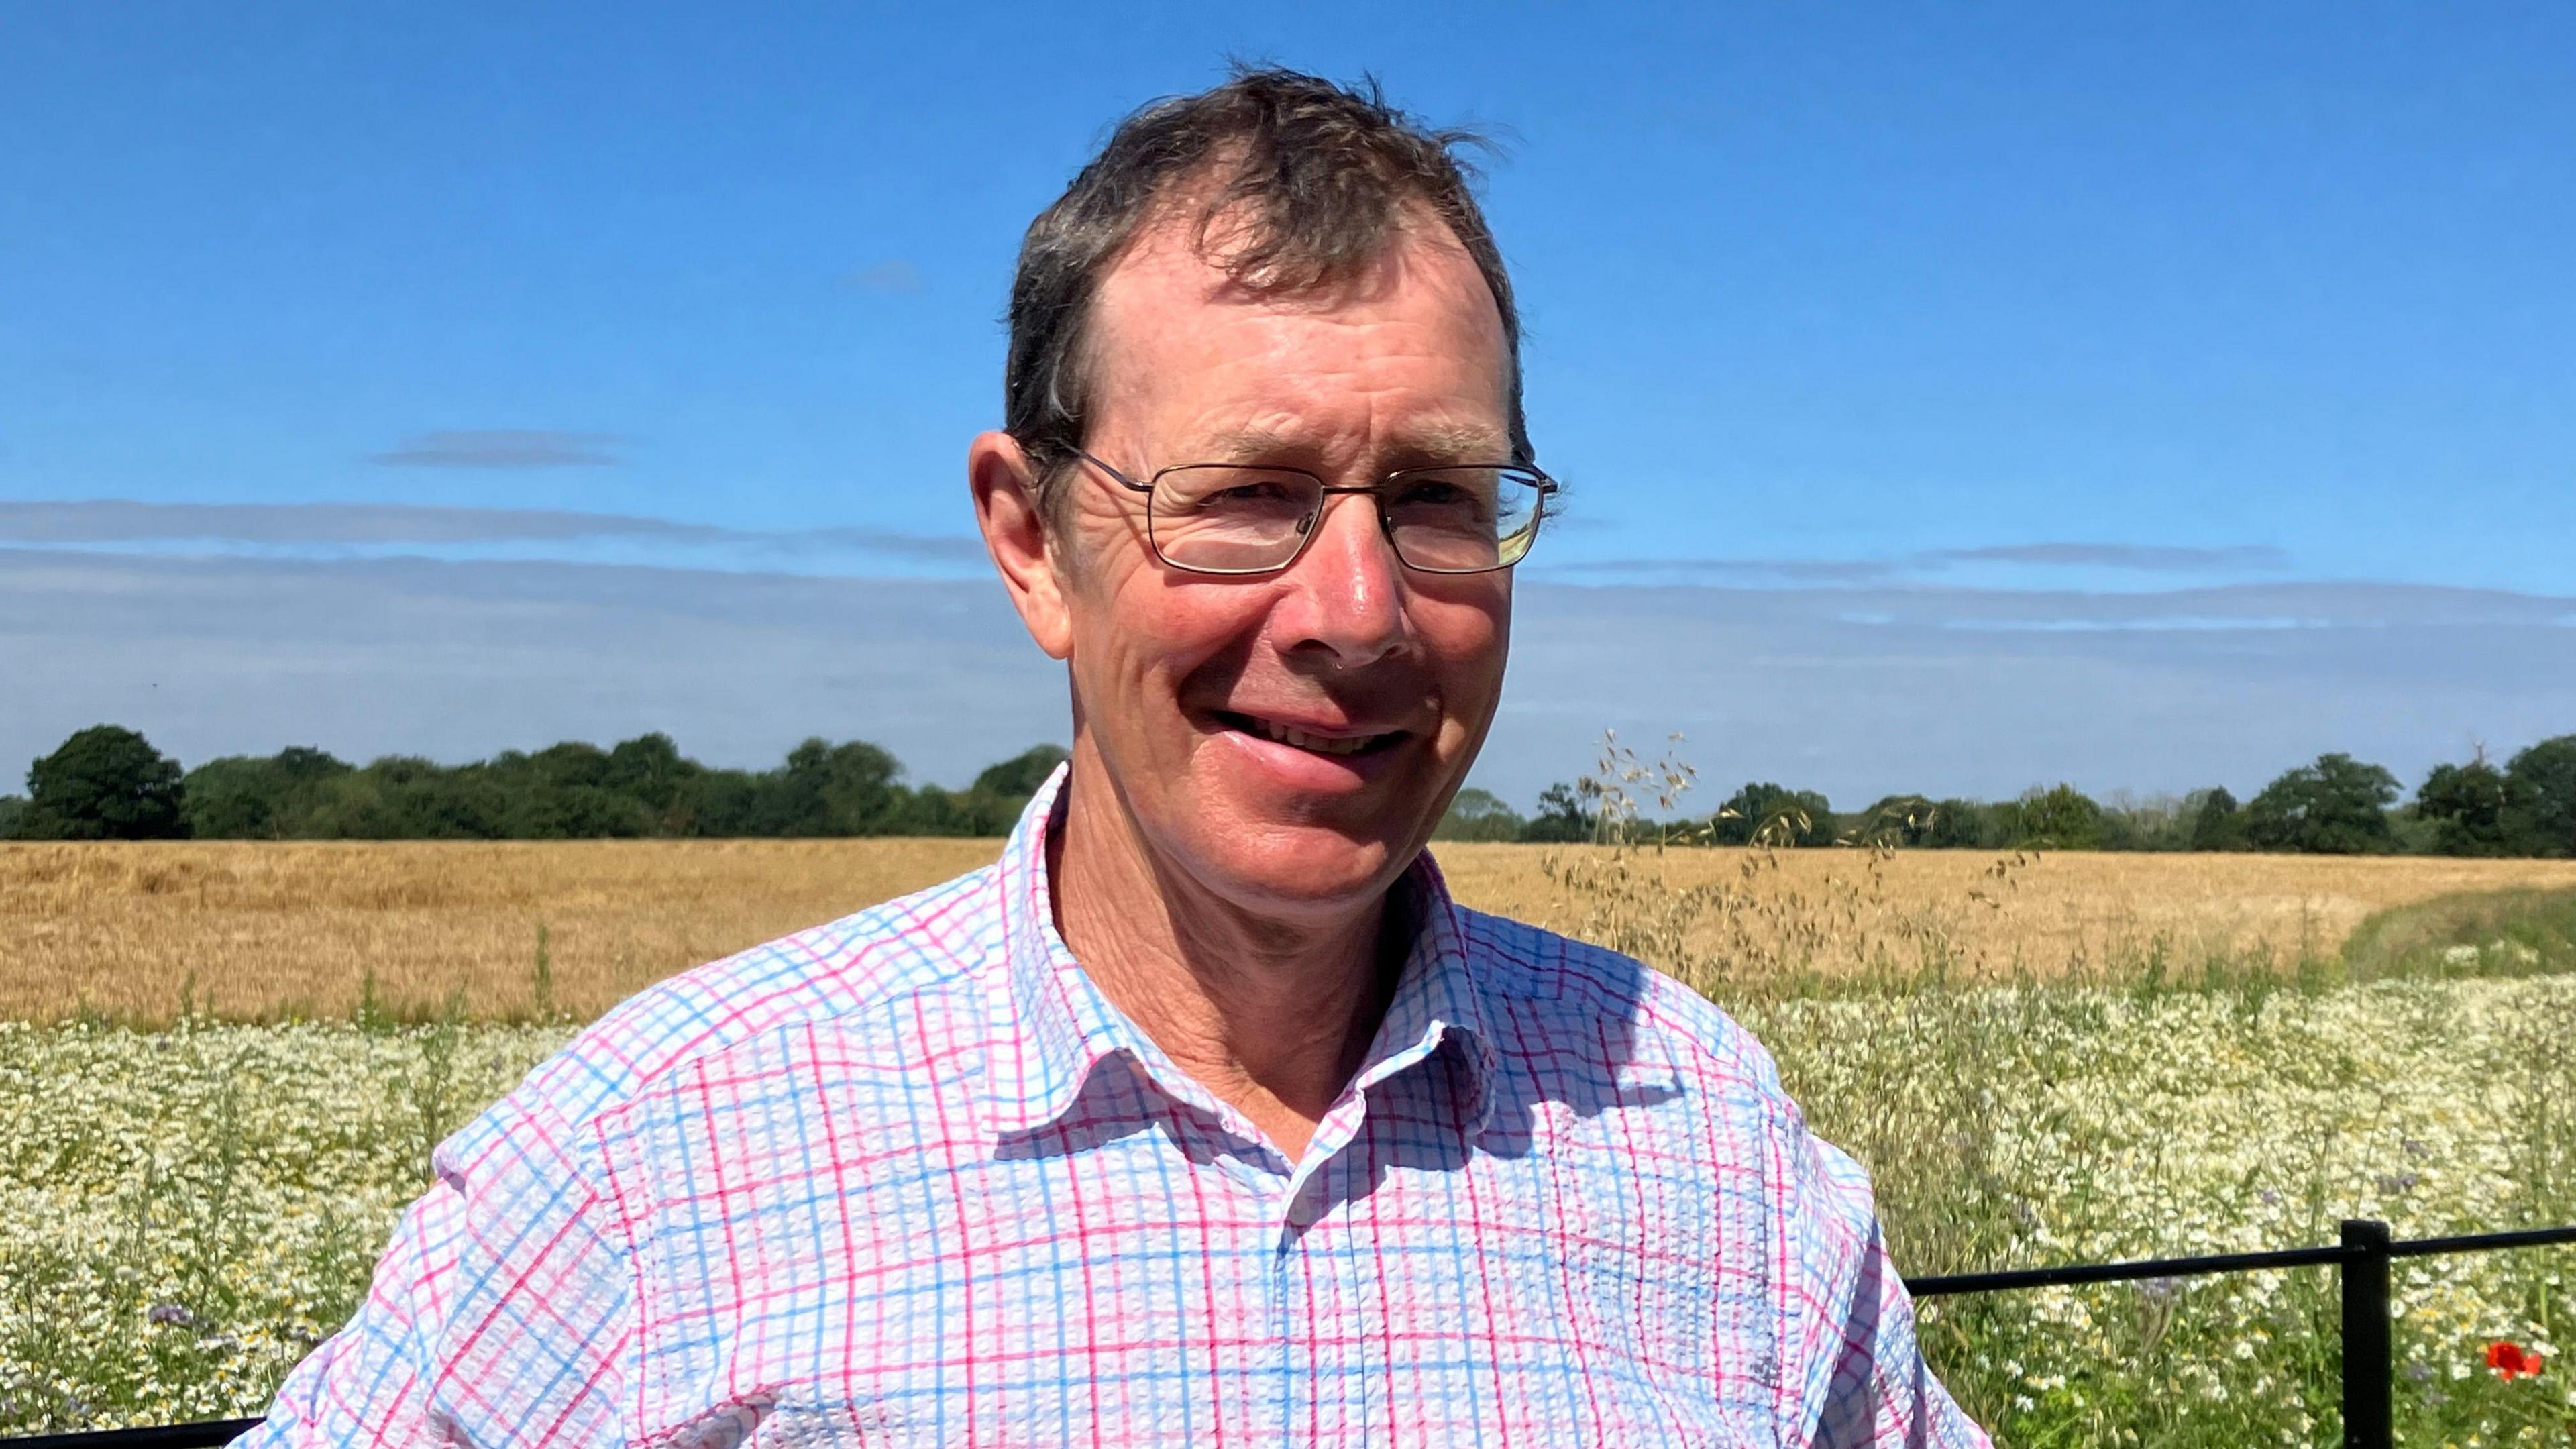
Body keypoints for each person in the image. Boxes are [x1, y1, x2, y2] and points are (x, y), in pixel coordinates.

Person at [245, 68, 1987, 1447]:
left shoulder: (1704, 1131)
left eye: (1440, 499)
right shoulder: (659, 1157)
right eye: (1246, 500)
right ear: (1029, 542)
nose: (1359, 611)